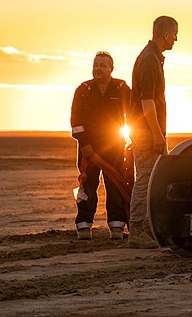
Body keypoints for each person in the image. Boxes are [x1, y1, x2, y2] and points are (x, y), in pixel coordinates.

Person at [70, 51, 133, 241]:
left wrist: (133, 140)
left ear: (111, 69)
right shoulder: (83, 90)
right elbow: (75, 121)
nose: (98, 68)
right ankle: (83, 227)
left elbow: (133, 114)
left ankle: (116, 227)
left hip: (114, 147)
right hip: (88, 150)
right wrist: (85, 145)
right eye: (96, 64)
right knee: (87, 186)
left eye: (103, 65)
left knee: (116, 186)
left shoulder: (121, 88)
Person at [127, 15, 178, 249]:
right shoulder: (149, 60)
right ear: (166, 34)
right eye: (175, 34)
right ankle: (137, 229)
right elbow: (147, 102)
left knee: (151, 180)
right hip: (147, 132)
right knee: (146, 179)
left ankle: (146, 228)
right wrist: (157, 135)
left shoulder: (152, 58)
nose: (176, 39)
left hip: (148, 130)